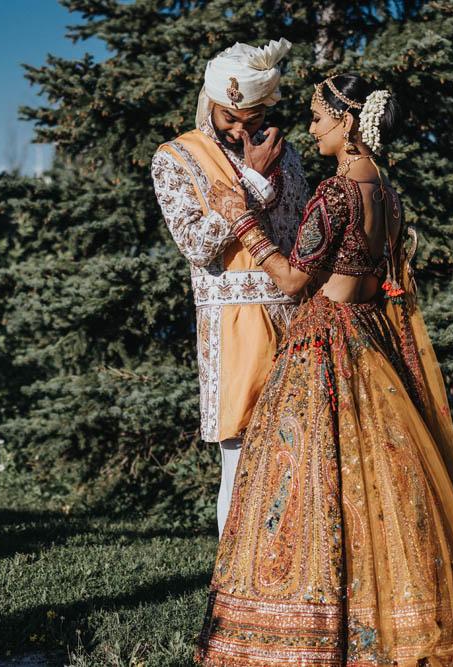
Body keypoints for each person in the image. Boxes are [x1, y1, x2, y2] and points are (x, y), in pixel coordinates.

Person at [193, 73, 453, 666]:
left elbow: (298, 279)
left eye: (318, 118)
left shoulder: (334, 193)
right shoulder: (388, 193)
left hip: (325, 342)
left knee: (312, 480)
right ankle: (401, 612)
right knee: (379, 483)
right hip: (372, 337)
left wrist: (243, 218)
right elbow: (383, 280)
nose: (309, 127)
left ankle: (311, 624)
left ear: (347, 123)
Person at [150, 38, 310, 538]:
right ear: (209, 102)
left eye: (254, 115)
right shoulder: (176, 158)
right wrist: (255, 185)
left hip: (299, 315)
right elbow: (197, 244)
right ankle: (234, 589)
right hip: (234, 325)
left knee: (302, 455)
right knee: (240, 461)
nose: (242, 128)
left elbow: (304, 232)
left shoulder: (289, 154)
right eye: (229, 116)